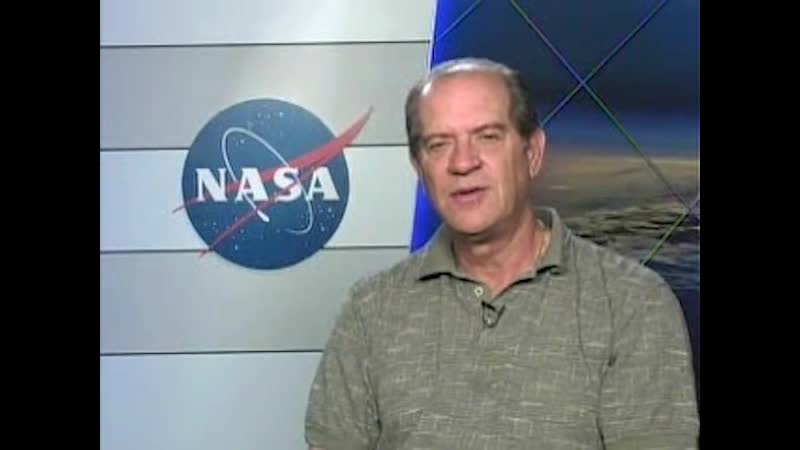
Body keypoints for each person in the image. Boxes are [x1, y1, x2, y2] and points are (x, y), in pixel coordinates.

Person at [305, 57, 699, 450]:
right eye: (439, 144)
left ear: (532, 153)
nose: (463, 163)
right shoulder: (370, 310)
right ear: (419, 168)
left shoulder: (631, 302)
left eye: (487, 137)